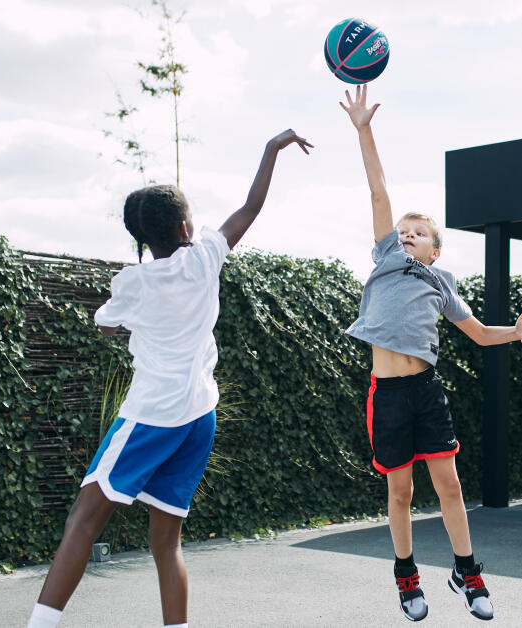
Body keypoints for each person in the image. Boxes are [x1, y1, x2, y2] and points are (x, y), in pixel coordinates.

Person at [26, 129, 312, 628]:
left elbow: (108, 321)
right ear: (185, 226)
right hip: (199, 416)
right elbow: (249, 208)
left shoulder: (133, 282)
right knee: (167, 541)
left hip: (151, 415)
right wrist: (271, 148)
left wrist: (130, 323)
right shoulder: (205, 259)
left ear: (142, 239)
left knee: (82, 521)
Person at [339, 85, 522, 622]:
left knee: (449, 485)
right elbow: (379, 189)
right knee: (398, 494)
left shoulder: (441, 281)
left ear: (435, 248)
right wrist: (363, 128)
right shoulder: (384, 258)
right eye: (404, 230)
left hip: (426, 391)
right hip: (388, 394)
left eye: (418, 232)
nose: (407, 234)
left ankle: (467, 572)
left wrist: (512, 334)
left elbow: (476, 333)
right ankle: (406, 578)